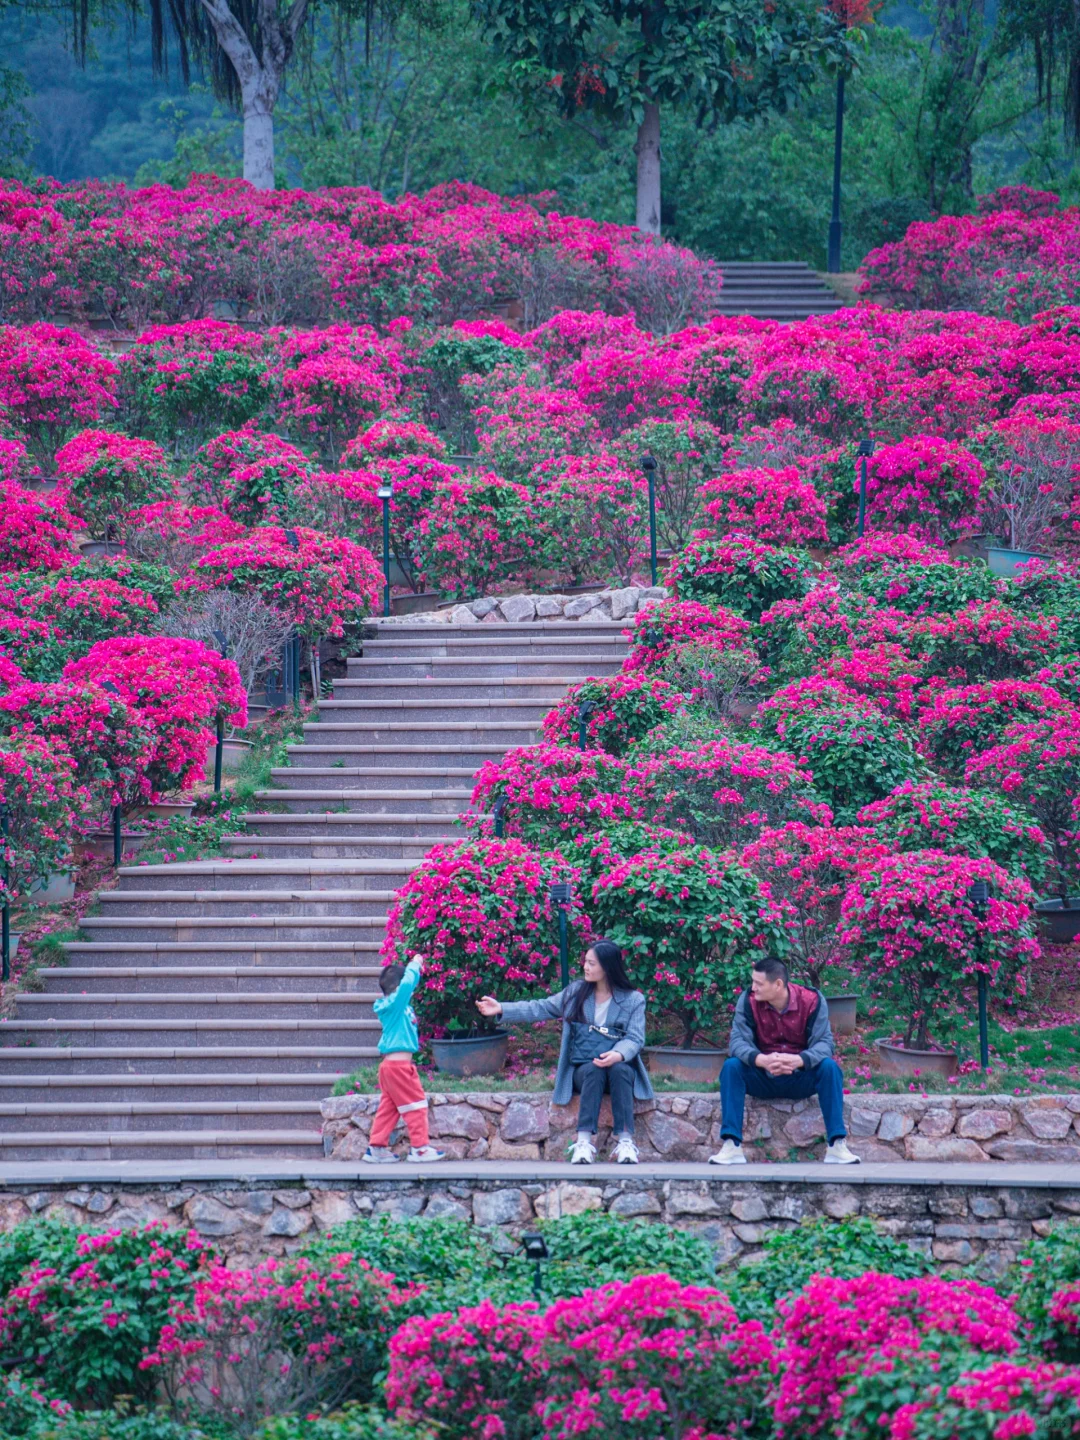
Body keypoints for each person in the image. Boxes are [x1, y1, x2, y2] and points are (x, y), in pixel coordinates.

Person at [476, 939, 651, 1164]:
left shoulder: (633, 1000)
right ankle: (583, 1143)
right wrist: (502, 1008)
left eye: (591, 963)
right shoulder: (576, 992)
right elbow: (541, 1007)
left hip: (617, 1065)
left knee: (622, 1071)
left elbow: (635, 1038)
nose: (585, 968)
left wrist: (618, 1054)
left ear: (608, 967)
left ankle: (625, 1142)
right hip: (584, 1069)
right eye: (585, 962)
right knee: (592, 1070)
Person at [709, 957, 860, 1166]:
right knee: (731, 1067)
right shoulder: (748, 1001)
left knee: (829, 1068)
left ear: (778, 984)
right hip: (762, 1076)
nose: (753, 988)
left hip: (799, 1076)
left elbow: (825, 1044)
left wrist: (799, 1060)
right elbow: (736, 1042)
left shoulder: (812, 1001)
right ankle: (731, 1145)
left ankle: (836, 1145)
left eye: (759, 984)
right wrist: (761, 1060)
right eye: (753, 982)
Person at [363, 953, 445, 1163]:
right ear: (398, 988)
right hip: (398, 1067)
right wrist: (414, 964)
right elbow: (408, 984)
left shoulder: (398, 1007)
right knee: (416, 1104)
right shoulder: (394, 1005)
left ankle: (376, 1148)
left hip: (393, 1067)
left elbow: (408, 986)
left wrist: (413, 971)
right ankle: (419, 1148)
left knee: (389, 1108)